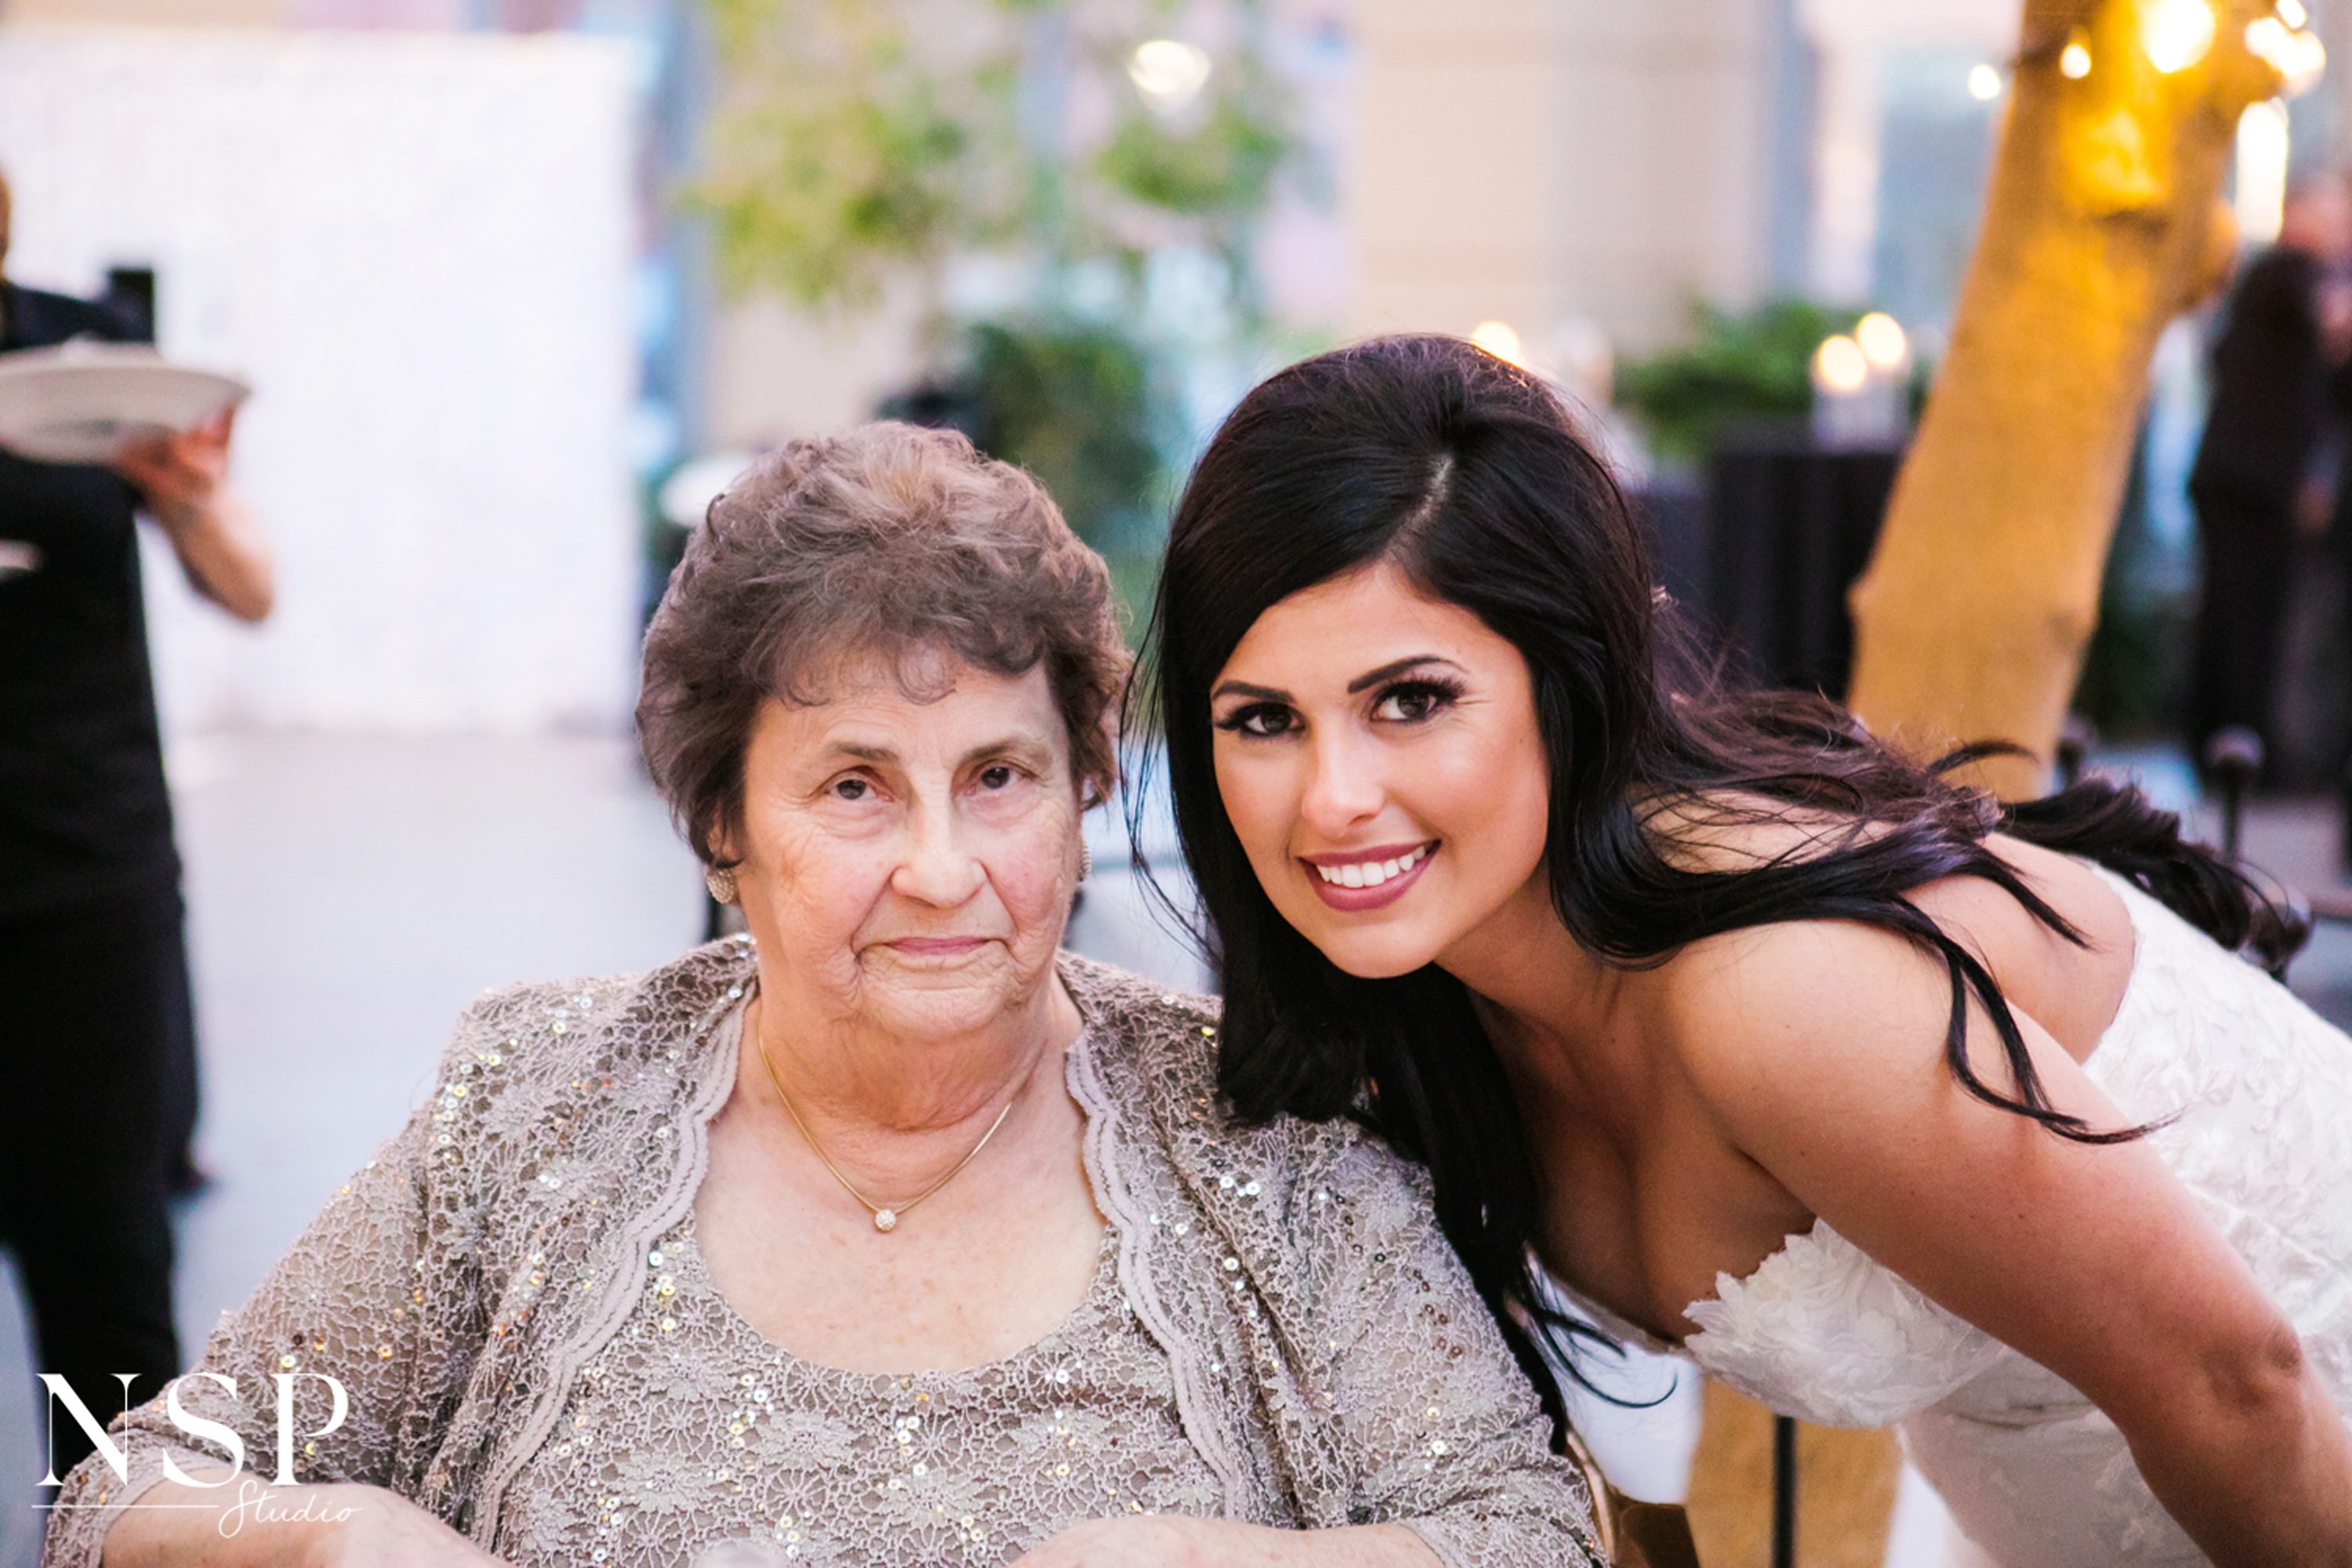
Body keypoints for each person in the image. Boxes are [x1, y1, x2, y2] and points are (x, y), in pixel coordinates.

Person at [46, 423, 1605, 1568]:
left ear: (1084, 793)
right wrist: (334, 1535)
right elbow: (127, 1489)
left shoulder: (1261, 1133)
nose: (942, 868)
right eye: (855, 786)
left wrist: (1208, 1564)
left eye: (998, 777)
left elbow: (1533, 1539)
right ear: (725, 828)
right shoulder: (539, 1103)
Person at [1138, 335, 2352, 1567]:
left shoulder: (1777, 990)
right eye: (1263, 720)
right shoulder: (1428, 1008)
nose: (1333, 798)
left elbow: (2238, 1382)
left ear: (1568, 676)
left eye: (1411, 699)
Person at [0, 166, 274, 1490]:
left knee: (109, 1305)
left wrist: (190, 489)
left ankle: (128, 1530)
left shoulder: (87, 361)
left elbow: (250, 586)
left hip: (83, 893)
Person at [2187, 176, 2352, 770]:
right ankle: (2246, 757)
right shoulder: (2287, 270)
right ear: (2299, 215)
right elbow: (2336, 323)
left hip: (2238, 478)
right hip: (2251, 485)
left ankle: (2225, 748)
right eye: (2334, 214)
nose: (2342, 229)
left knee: (2234, 619)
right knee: (2249, 623)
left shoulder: (2271, 283)